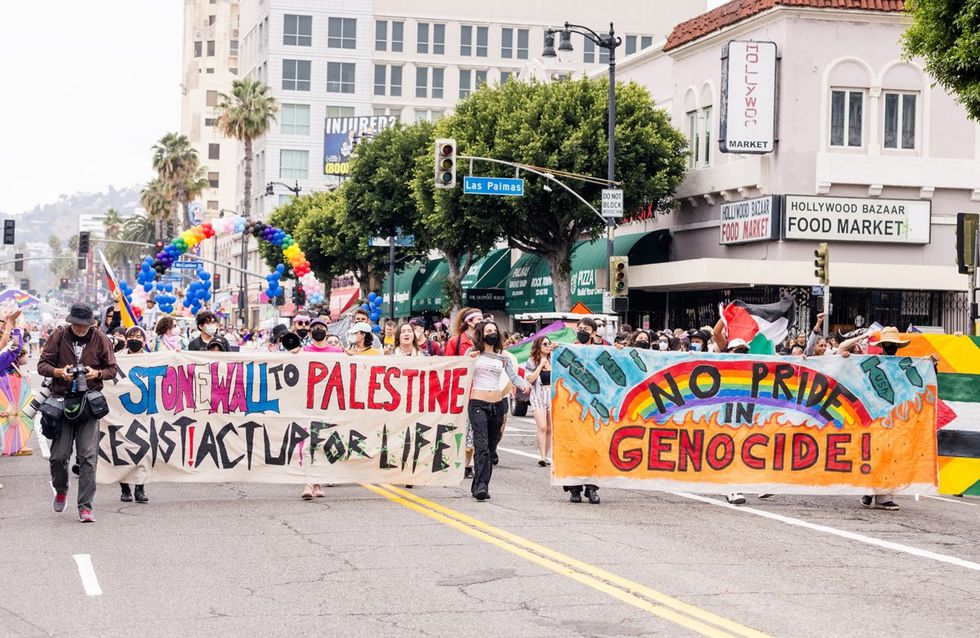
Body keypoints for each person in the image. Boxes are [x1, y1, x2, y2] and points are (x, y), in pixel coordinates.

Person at [38, 303, 118, 523]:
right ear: (71, 322)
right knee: (58, 456)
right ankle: (61, 488)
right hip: (61, 401)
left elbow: (112, 369)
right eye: (77, 325)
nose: (81, 329)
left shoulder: (100, 338)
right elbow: (42, 365)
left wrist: (96, 373)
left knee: (88, 457)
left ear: (91, 324)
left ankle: (85, 506)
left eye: (84, 325)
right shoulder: (59, 334)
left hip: (89, 403)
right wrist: (58, 372)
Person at [466, 320, 528, 501]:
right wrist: (469, 360)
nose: (492, 333)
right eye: (488, 331)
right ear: (481, 334)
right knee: (481, 445)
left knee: (491, 446)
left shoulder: (503, 357)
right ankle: (481, 487)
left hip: (497, 404)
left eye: (494, 330)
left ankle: (480, 481)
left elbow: (513, 376)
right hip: (477, 403)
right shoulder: (472, 353)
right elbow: (461, 370)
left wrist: (523, 385)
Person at [566, 317, 602, 504]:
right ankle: (574, 488)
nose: (582, 331)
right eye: (579, 328)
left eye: (586, 328)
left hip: (595, 405)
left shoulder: (602, 351)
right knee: (573, 446)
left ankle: (592, 487)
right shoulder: (567, 350)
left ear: (593, 333)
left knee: (594, 447)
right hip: (573, 404)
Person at [444, 307, 483, 477]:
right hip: (461, 391)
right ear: (469, 322)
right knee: (462, 428)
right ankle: (459, 460)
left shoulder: (485, 341)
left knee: (476, 428)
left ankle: (470, 463)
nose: (482, 322)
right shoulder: (455, 341)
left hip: (480, 390)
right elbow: (448, 366)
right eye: (478, 319)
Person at [119, 327, 149, 503]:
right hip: (121, 410)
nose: (135, 339)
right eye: (131, 336)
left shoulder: (152, 358)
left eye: (138, 336)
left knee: (143, 450)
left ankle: (140, 488)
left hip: (144, 412)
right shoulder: (118, 358)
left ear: (144, 340)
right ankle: (125, 488)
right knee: (122, 449)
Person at [526, 336, 554, 467]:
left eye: (549, 344)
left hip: (552, 395)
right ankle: (542, 456)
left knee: (549, 428)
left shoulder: (554, 359)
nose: (548, 346)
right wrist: (541, 365)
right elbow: (530, 379)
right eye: (545, 344)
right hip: (538, 395)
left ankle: (546, 455)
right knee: (542, 426)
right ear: (539, 346)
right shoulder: (532, 361)